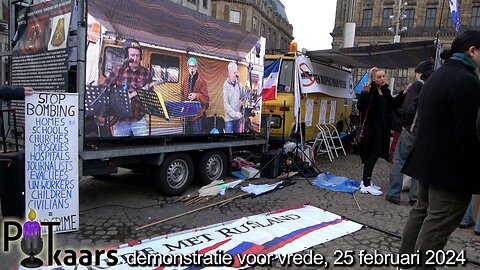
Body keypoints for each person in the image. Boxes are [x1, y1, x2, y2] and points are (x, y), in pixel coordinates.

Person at [398, 30, 480, 269]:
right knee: (438, 223)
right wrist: (475, 175)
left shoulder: (437, 75)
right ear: (472, 50)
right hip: (450, 170)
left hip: (428, 161)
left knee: (422, 213)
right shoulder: (466, 81)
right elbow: (467, 134)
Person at [385, 60, 434, 206]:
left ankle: (394, 193)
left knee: (399, 161)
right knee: (417, 164)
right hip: (425, 133)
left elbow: (407, 107)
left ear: (420, 73)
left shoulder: (418, 85)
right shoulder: (434, 86)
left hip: (412, 129)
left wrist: (405, 124)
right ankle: (415, 197)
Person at [357, 67, 406, 196]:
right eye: (379, 77)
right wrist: (364, 93)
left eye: (383, 76)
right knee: (372, 154)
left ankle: (367, 180)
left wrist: (404, 93)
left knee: (375, 154)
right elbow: (360, 107)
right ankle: (365, 184)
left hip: (382, 128)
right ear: (373, 78)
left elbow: (393, 104)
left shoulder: (384, 91)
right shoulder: (370, 90)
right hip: (372, 128)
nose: (382, 79)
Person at [102, 39, 152, 137]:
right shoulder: (118, 70)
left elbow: (150, 96)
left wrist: (145, 96)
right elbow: (105, 88)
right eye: (132, 55)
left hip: (138, 118)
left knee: (143, 146)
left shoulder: (146, 73)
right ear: (127, 56)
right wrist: (116, 100)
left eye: (137, 55)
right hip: (120, 119)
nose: (135, 58)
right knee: (120, 148)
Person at [181, 57, 209, 135]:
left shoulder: (202, 81)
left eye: (193, 66)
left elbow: (206, 99)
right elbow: (182, 95)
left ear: (196, 68)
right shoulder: (185, 80)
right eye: (190, 66)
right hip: (186, 116)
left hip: (197, 117)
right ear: (188, 68)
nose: (192, 68)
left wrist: (196, 96)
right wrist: (183, 106)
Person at [223, 62, 244, 133]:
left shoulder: (239, 84)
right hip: (229, 120)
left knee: (237, 139)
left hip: (237, 119)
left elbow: (243, 97)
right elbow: (225, 104)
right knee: (228, 139)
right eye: (234, 73)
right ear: (229, 73)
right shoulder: (226, 85)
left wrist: (247, 89)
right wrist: (234, 114)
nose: (236, 74)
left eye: (236, 72)